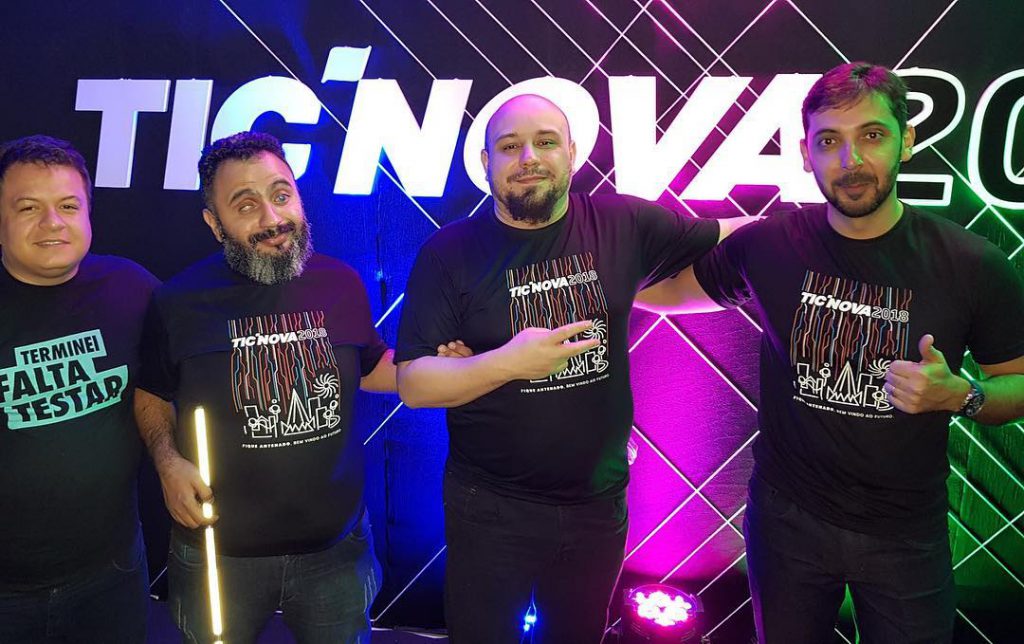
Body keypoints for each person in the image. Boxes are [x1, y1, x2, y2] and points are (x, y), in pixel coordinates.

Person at [637, 62, 1024, 643]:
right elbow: (668, 292)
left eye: (872, 135)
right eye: (828, 141)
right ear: (805, 153)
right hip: (786, 522)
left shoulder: (972, 264)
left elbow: (1017, 385)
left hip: (905, 534)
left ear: (906, 142)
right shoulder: (770, 243)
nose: (851, 160)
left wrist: (961, 395)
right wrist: (587, 278)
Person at [394, 94, 752, 643]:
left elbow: (728, 235)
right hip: (489, 507)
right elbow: (415, 383)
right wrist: (508, 362)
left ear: (572, 153)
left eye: (545, 142)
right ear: (486, 163)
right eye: (509, 147)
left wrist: (814, 231)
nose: (528, 157)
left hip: (596, 507)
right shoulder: (450, 253)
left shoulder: (621, 223)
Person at [134, 131, 469, 644]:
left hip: (335, 552)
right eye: (246, 205)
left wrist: (435, 366)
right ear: (214, 223)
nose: (272, 218)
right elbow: (152, 392)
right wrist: (166, 461)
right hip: (218, 554)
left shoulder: (340, 283)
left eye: (281, 194)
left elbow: (371, 366)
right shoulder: (178, 301)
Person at [0, 135, 157, 643]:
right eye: (29, 207)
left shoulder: (132, 288)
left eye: (68, 206)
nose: (53, 222)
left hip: (111, 574)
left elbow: (175, 376)